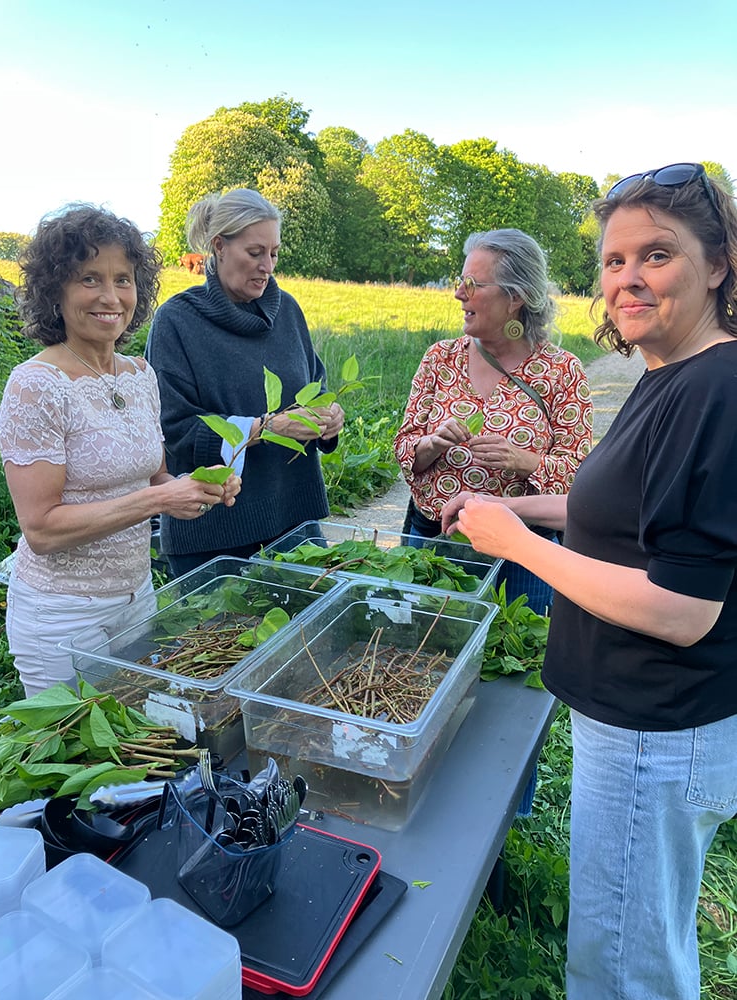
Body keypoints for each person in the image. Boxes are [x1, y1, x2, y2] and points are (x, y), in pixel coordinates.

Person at [443, 164, 737, 1000]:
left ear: (717, 266)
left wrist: (517, 544)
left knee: (620, 968)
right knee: (640, 939)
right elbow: (627, 514)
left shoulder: (716, 387)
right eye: (613, 261)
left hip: (656, 728)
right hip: (641, 726)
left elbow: (683, 610)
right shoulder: (669, 373)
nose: (628, 279)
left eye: (657, 255)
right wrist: (526, 509)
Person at [0, 204, 241, 698]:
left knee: (134, 745)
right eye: (90, 279)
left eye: (123, 279)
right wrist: (159, 502)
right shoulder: (37, 386)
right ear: (55, 291)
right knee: (73, 754)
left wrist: (196, 487)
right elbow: (41, 529)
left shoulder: (138, 375)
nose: (110, 296)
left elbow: (154, 478)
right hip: (61, 616)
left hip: (136, 599)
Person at [145, 188, 344, 578]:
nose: (267, 266)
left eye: (274, 253)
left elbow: (316, 386)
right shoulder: (177, 322)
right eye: (255, 253)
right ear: (219, 247)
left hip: (294, 525)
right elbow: (172, 430)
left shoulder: (288, 311)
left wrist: (328, 418)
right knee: (219, 640)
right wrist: (263, 429)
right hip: (212, 536)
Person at [393, 229, 593, 617]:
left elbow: (578, 476)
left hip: (522, 552)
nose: (458, 293)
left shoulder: (561, 371)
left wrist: (523, 460)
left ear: (515, 298)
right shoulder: (440, 358)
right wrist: (432, 443)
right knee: (419, 653)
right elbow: (404, 449)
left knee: (515, 654)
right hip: (433, 542)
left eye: (472, 284)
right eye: (460, 281)